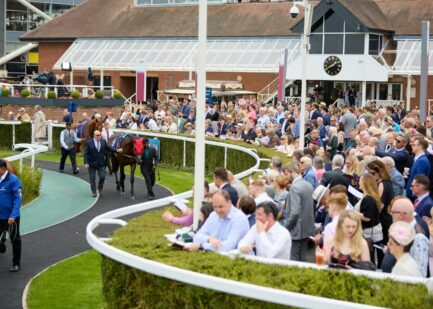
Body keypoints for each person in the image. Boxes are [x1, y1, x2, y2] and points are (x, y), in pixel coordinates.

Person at [381, 197, 429, 277]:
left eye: (392, 212)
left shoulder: (419, 236)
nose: (390, 215)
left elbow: (420, 273)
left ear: (401, 215)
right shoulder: (402, 228)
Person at [284, 163, 315, 261]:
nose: (285, 177)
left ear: (292, 172)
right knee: (303, 258)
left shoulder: (294, 188)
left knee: (294, 260)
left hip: (296, 230)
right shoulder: (308, 184)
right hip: (306, 228)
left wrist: (286, 227)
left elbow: (295, 212)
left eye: (286, 174)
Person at [83, 130, 122, 197]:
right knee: (92, 178)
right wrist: (86, 163)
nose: (99, 136)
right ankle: (94, 192)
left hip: (101, 163)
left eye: (100, 135)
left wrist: (117, 150)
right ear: (94, 136)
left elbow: (109, 148)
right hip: (91, 164)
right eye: (97, 135)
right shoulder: (89, 142)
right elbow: (86, 154)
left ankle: (100, 187)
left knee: (102, 177)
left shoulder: (103, 141)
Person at [0, 159, 22, 272]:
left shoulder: (13, 180)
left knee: (15, 239)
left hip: (11, 218)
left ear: (3, 169)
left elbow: (17, 199)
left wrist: (13, 215)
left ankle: (16, 263)